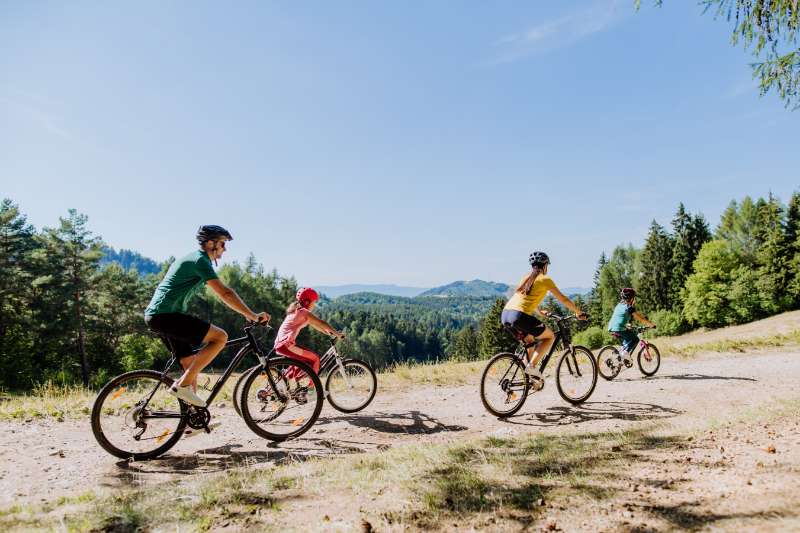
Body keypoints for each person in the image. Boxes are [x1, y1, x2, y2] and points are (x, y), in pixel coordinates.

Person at [144, 225, 269, 407]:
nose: (224, 249)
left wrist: (246, 313)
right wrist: (252, 315)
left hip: (159, 316)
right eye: (222, 244)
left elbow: (223, 295)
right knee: (220, 337)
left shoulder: (196, 259)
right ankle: (183, 386)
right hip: (165, 315)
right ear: (211, 243)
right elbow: (225, 294)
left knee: (190, 366)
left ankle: (191, 421)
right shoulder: (199, 261)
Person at [501, 251, 587, 391]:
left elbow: (525, 299)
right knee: (549, 337)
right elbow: (564, 299)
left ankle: (526, 378)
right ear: (545, 265)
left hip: (506, 315)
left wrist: (540, 312)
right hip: (519, 316)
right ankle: (531, 367)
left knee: (530, 342)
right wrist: (578, 312)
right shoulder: (544, 279)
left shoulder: (526, 277)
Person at [273, 287, 344, 377]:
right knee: (315, 359)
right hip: (286, 345)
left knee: (303, 361)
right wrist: (337, 334)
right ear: (307, 302)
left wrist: (328, 332)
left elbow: (316, 325)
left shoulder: (296, 311)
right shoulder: (304, 312)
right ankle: (311, 389)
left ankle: (288, 380)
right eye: (313, 303)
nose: (314, 305)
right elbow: (322, 323)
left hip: (282, 344)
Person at [607, 287, 656, 368]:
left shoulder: (619, 305)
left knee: (627, 338)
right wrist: (650, 324)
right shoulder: (629, 307)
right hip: (620, 328)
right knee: (635, 339)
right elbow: (640, 318)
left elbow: (619, 317)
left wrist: (627, 325)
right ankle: (625, 353)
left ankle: (619, 357)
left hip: (612, 327)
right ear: (631, 298)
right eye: (634, 297)